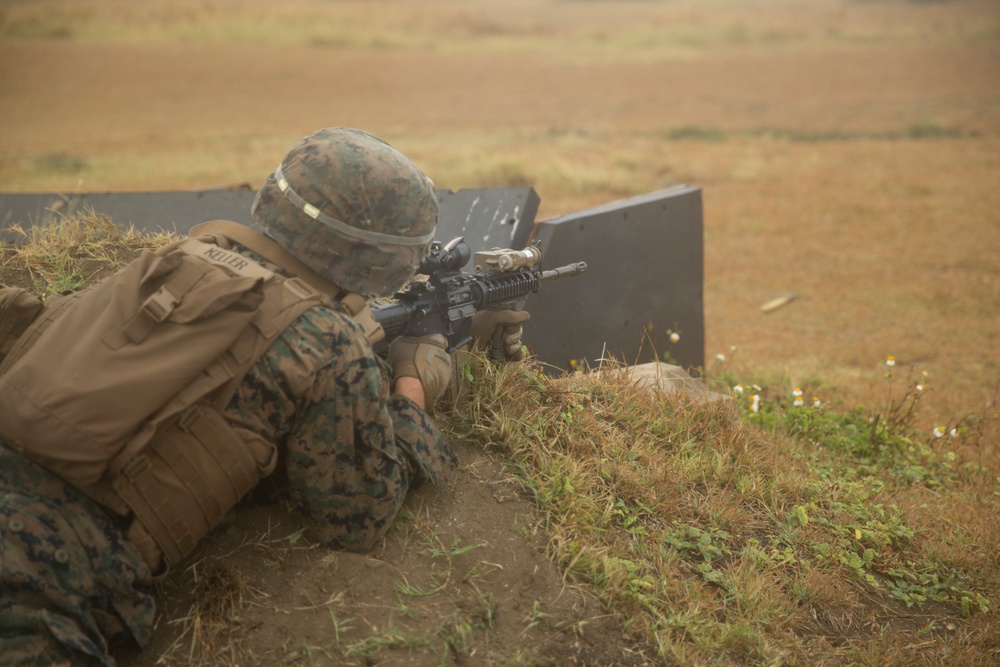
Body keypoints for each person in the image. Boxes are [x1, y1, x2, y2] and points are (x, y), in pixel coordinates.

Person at [0, 127, 529, 666]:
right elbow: (356, 518)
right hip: (36, 578)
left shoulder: (178, 258)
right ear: (379, 258)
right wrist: (415, 383)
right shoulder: (327, 340)